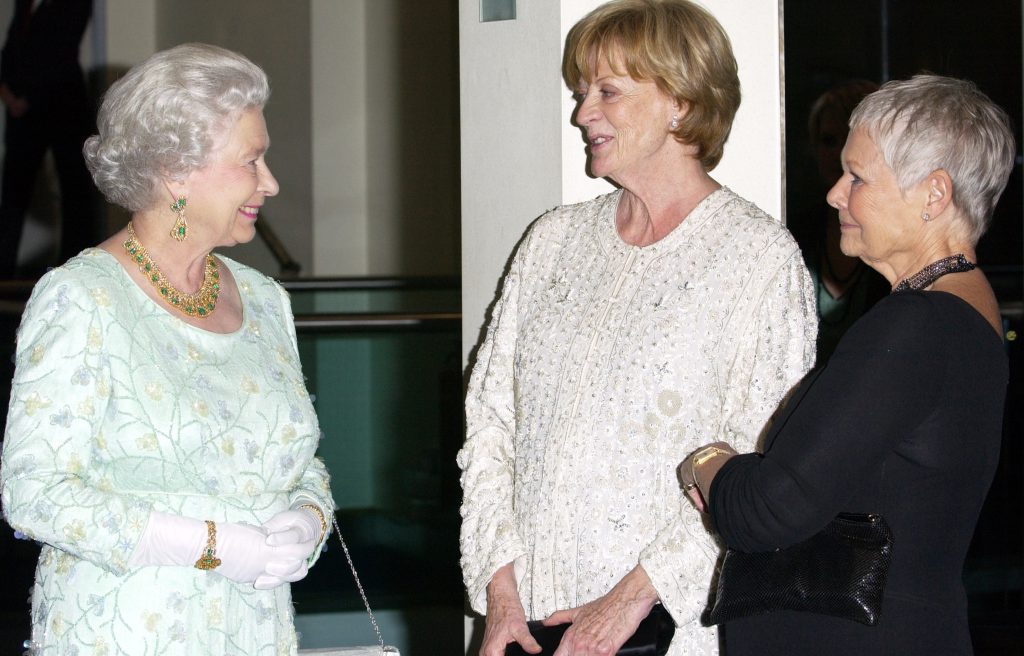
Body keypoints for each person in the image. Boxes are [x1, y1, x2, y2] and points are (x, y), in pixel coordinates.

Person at [458, 1, 817, 654]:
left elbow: (756, 462)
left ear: (680, 100)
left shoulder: (757, 259)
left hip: (661, 631)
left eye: (607, 92)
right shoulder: (551, 240)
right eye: (581, 92)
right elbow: (490, 421)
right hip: (523, 625)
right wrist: (498, 592)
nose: (582, 113)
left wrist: (629, 603)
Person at [0, 43, 334, 654]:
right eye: (252, 161)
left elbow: (297, 457)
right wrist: (213, 545)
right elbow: (34, 492)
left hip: (256, 626)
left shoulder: (265, 301)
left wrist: (309, 518)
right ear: (176, 170)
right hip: (125, 628)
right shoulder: (81, 299)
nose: (272, 182)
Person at [680, 74, 1014, 655]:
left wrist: (707, 463)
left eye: (858, 176)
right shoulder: (966, 315)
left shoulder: (917, 326)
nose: (836, 193)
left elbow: (765, 510)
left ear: (934, 195)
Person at [0, 0, 97, 276]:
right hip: (22, 113)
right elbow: (12, 48)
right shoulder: (25, 4)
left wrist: (27, 98)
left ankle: (76, 267)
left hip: (62, 107)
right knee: (14, 193)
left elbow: (61, 53)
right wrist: (7, 91)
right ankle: (4, 270)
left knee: (74, 189)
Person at [796, 80, 888, 363]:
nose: (838, 154)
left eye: (848, 140)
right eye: (828, 140)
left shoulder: (893, 237)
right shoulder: (795, 232)